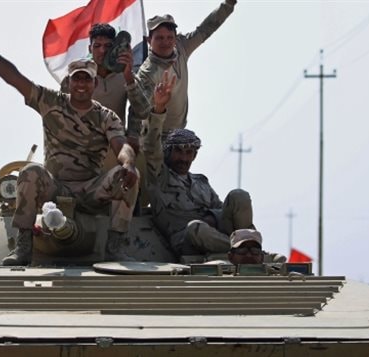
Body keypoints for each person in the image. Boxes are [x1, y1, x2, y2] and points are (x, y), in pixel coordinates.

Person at [0, 13, 139, 265]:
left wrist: (127, 163)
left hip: (90, 189)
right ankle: (23, 245)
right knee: (29, 172)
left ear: (95, 83)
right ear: (70, 82)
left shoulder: (105, 116)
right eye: (77, 79)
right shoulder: (50, 102)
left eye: (87, 79)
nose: (82, 84)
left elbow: (122, 145)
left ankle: (116, 245)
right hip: (55, 186)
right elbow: (13, 77)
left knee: (128, 174)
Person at [142, 71, 255, 257]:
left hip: (215, 234)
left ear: (194, 155)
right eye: (178, 152)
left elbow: (220, 209)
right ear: (169, 152)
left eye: (189, 153)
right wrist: (159, 108)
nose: (184, 158)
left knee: (239, 196)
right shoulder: (159, 178)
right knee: (196, 228)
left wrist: (212, 217)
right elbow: (152, 147)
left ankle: (248, 245)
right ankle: (243, 251)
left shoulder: (201, 183)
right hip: (186, 239)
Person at [135, 0, 238, 136]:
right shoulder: (147, 73)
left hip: (178, 133)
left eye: (169, 37)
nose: (165, 42)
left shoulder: (181, 47)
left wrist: (228, 5)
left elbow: (206, 28)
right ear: (149, 41)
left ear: (176, 38)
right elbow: (140, 112)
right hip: (154, 136)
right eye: (159, 38)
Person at [61, 23, 149, 139]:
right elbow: (61, 114)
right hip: (82, 145)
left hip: (115, 143)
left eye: (108, 46)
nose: (102, 50)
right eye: (97, 46)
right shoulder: (75, 78)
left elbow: (142, 112)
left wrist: (128, 76)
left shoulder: (125, 76)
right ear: (90, 49)